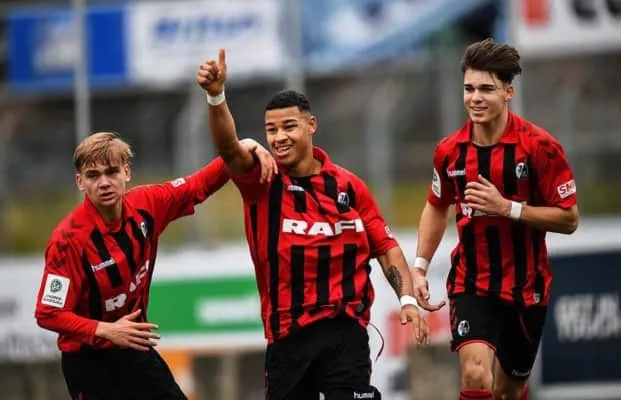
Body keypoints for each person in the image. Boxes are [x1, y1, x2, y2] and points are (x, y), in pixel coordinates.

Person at [196, 49, 433, 400]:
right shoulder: (262, 181)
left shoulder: (349, 187)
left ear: (311, 125)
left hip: (345, 332)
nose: (279, 137)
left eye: (289, 126)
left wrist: (407, 299)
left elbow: (385, 247)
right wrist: (216, 97)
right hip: (288, 337)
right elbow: (230, 149)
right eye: (271, 130)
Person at [34, 131, 276, 400]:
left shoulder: (147, 204)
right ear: (80, 182)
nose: (104, 183)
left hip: (135, 350)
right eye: (93, 175)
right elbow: (48, 313)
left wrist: (240, 147)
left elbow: (198, 186)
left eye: (112, 172)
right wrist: (106, 330)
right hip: (89, 363)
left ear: (126, 172)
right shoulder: (67, 241)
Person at [411, 38, 579, 400]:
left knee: (508, 391)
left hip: (527, 288)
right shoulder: (449, 151)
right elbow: (436, 205)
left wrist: (508, 208)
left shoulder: (540, 148)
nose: (475, 98)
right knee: (474, 374)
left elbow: (569, 218)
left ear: (508, 92)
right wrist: (420, 266)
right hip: (471, 282)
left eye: (486, 89)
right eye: (469, 88)